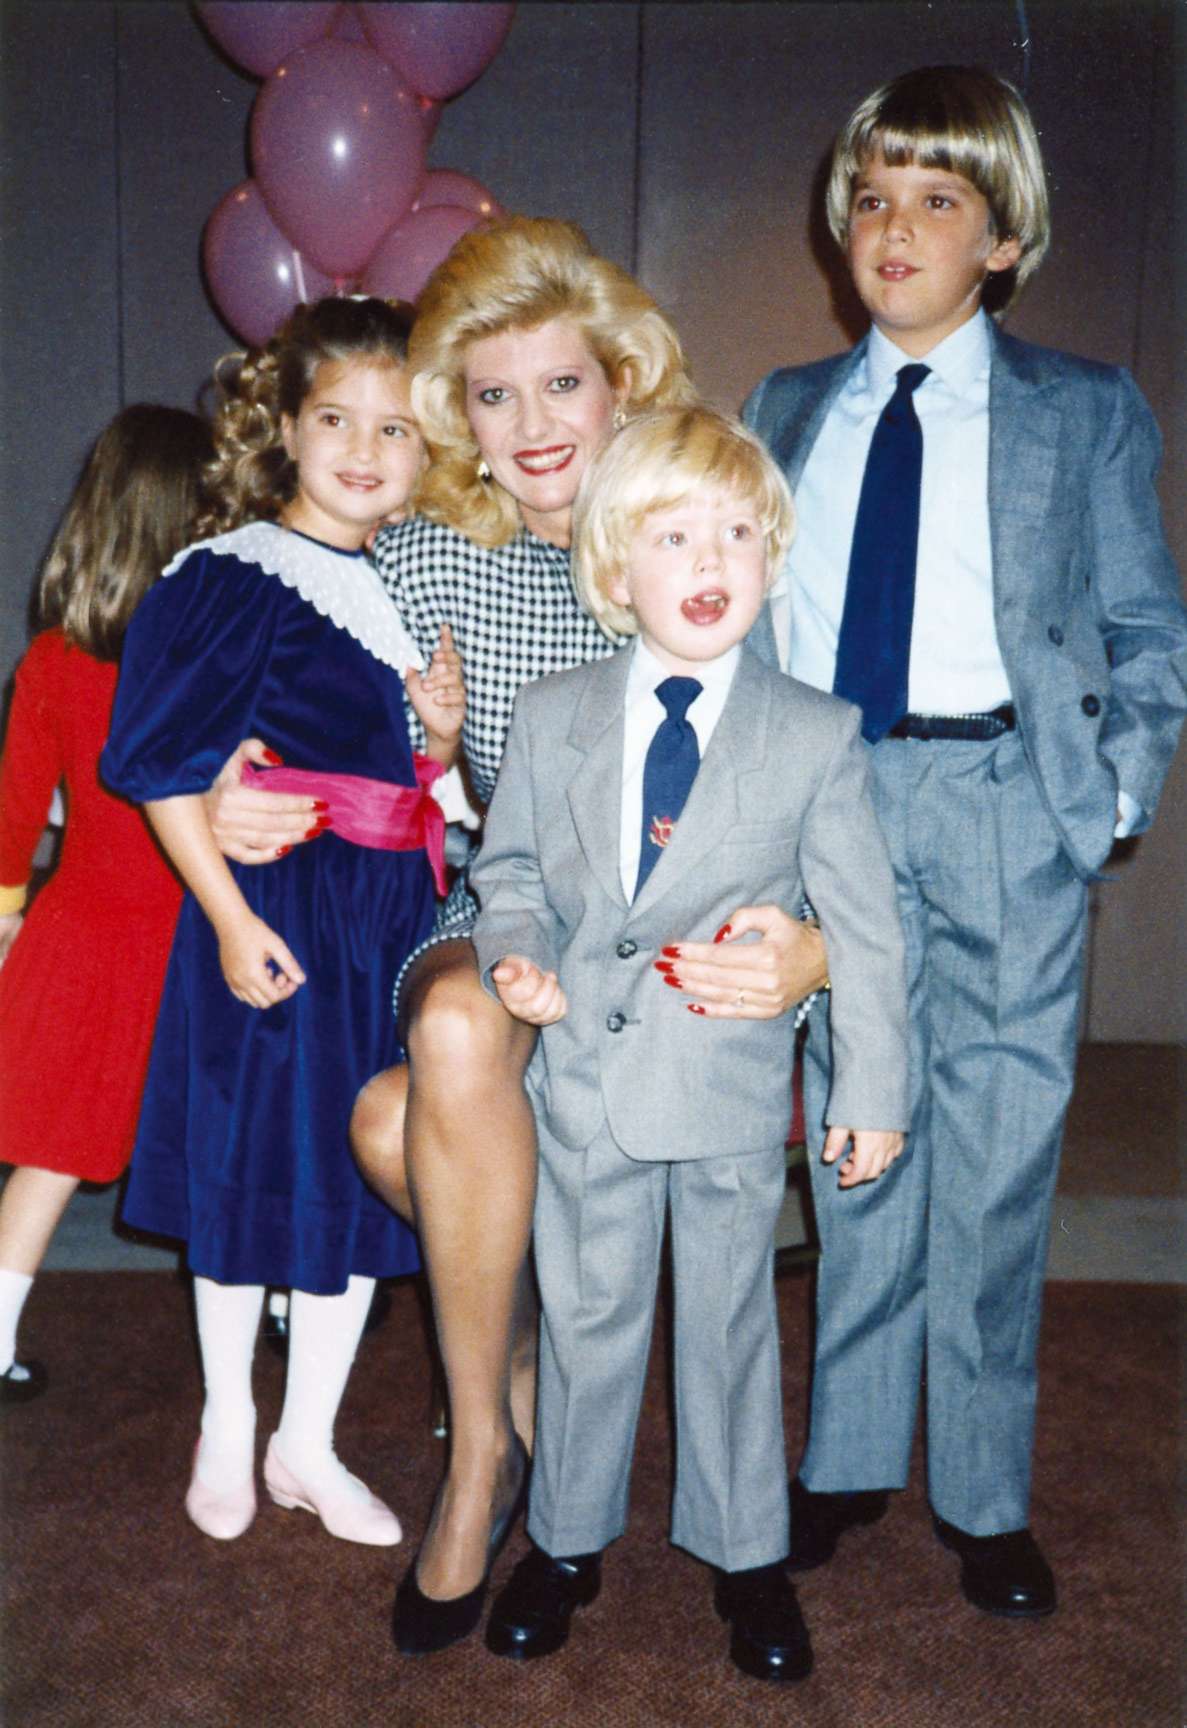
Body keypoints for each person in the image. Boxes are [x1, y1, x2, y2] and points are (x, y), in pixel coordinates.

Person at [331, 219, 829, 1656]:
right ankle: (484, 1452)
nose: (532, 424)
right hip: (509, 903)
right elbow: (304, 665)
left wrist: (805, 945)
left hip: (666, 953)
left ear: (619, 384)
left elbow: (786, 771)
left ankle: (544, 1350)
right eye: (493, 395)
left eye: (561, 385)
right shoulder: (429, 559)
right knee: (441, 1036)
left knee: (389, 1127)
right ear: (459, 422)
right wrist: (242, 785)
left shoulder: (697, 523)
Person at [743, 65, 1187, 1619]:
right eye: (870, 196)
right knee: (852, 1130)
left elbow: (1143, 626)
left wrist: (1107, 793)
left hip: (1004, 800)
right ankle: (849, 1456)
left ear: (1001, 241)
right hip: (836, 809)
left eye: (936, 200)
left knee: (994, 1160)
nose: (893, 228)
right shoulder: (786, 412)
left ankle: (980, 1487)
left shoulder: (1076, 410)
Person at [471, 405, 908, 1682]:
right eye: (673, 535)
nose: (709, 561)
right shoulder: (551, 718)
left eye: (736, 534)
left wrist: (870, 1086)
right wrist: (523, 958)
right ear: (615, 568)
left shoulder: (812, 732)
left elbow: (864, 931)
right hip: (587, 1089)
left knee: (725, 1327)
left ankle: (746, 1553)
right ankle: (562, 1540)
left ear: (771, 559)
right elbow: (507, 874)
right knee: (586, 1312)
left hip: (719, 1086)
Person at [100, 297, 464, 1545]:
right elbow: (151, 759)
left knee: (361, 1168)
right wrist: (229, 914)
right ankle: (227, 1421)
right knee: (254, 1163)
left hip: (385, 920)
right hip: (281, 914)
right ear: (286, 429)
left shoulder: (410, 581)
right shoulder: (231, 572)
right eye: (335, 420)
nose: (366, 450)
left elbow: (430, 783)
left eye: (397, 429)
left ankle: (307, 1438)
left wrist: (442, 734)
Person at [0, 405, 210, 1404]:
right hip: (190, 932)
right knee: (225, 1136)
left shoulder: (49, 660)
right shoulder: (209, 663)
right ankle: (286, 1320)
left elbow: (9, 823)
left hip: (80, 929)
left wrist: (4, 927)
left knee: (46, 1157)